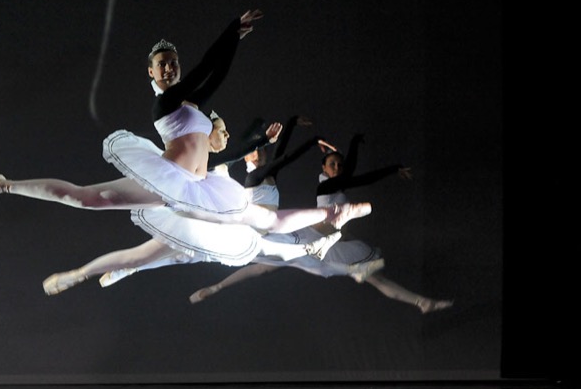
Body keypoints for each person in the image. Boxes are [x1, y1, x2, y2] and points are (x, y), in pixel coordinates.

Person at [0, 9, 370, 234]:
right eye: (163, 64)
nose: (171, 68)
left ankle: (333, 215)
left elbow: (217, 77)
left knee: (265, 220)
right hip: (169, 180)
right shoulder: (166, 104)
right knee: (85, 198)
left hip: (200, 187)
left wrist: (235, 42)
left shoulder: (192, 106)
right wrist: (231, 31)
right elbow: (206, 66)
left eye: (174, 62)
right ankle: (5, 184)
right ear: (152, 73)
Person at [44, 112, 347, 295]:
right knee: (177, 253)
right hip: (229, 227)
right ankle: (114, 270)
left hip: (235, 230)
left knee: (183, 255)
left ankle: (116, 270)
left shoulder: (246, 169)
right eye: (222, 132)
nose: (257, 154)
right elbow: (262, 152)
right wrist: (267, 139)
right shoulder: (242, 172)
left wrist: (275, 129)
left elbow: (260, 150)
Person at [188, 133, 454, 314]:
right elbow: (355, 176)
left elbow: (282, 156)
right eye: (332, 164)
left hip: (328, 242)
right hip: (315, 239)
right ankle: (213, 273)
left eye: (339, 164)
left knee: (268, 266)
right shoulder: (325, 186)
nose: (337, 167)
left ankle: (421, 302)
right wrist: (362, 149)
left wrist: (293, 125)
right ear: (324, 170)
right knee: (265, 262)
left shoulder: (313, 180)